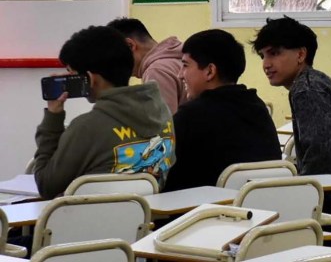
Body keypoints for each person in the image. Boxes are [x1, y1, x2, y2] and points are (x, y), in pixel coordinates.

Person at [252, 16, 331, 248]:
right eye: (263, 56)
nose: (266, 64)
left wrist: (299, 194)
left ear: (301, 54)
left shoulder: (306, 89)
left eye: (275, 53)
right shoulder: (314, 82)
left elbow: (323, 151)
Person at [33, 26, 175, 199]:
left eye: (72, 74)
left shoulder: (86, 128)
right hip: (148, 221)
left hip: (87, 222)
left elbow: (46, 185)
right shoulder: (163, 112)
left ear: (90, 79)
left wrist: (53, 116)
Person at [164, 29, 279, 192]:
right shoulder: (258, 108)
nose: (180, 75)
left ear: (210, 71)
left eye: (185, 65)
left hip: (202, 214)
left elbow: (166, 179)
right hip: (261, 212)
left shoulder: (190, 116)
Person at [107, 18, 185, 114]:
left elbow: (164, 125)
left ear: (130, 45)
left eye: (115, 58)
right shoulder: (183, 58)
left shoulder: (156, 71)